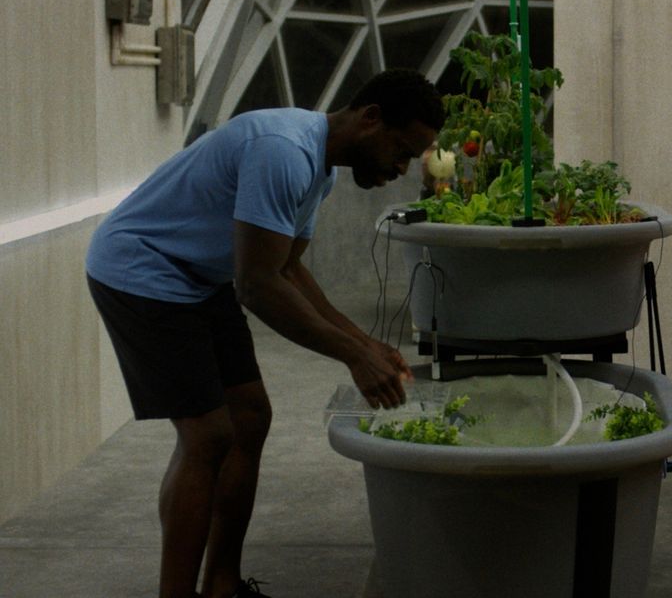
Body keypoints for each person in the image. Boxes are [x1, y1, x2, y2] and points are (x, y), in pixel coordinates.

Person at [86, 68, 444, 598]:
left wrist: (366, 344)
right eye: (401, 149)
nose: (402, 166)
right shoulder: (284, 150)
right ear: (370, 119)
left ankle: (223, 585)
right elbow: (256, 286)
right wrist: (351, 355)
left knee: (250, 416)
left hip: (201, 276)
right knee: (208, 436)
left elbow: (289, 270)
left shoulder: (319, 169)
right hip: (143, 270)